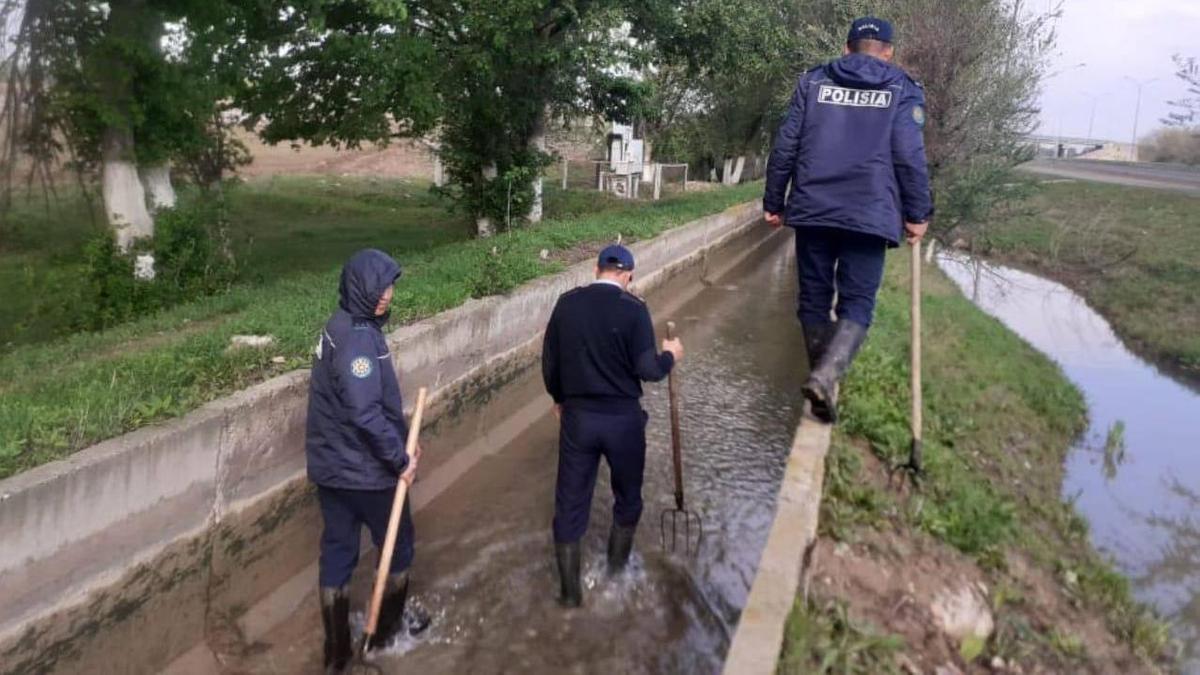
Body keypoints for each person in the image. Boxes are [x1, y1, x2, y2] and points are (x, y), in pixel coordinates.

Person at [763, 16, 933, 423]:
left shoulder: (814, 82)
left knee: (814, 301)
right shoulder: (902, 89)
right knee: (857, 304)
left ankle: (820, 379)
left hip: (814, 208)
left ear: (846, 48)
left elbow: (786, 144)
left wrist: (774, 200)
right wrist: (917, 214)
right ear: (889, 52)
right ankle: (824, 378)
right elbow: (909, 155)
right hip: (870, 213)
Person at [305, 248, 429, 673]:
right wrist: (399, 459)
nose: (387, 295)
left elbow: (363, 407)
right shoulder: (358, 338)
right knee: (398, 544)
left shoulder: (339, 325)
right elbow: (363, 412)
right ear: (360, 288)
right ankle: (386, 633)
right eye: (380, 287)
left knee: (337, 551)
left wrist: (403, 436)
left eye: (390, 286)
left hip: (331, 467)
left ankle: (336, 653)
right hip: (366, 472)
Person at [541, 244, 685, 607]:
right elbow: (648, 371)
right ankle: (616, 575)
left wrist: (560, 399)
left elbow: (550, 364)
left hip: (578, 419)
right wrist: (671, 356)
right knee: (628, 498)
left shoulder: (566, 304)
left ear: (596, 269)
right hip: (623, 421)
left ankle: (569, 596)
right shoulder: (634, 310)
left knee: (570, 504)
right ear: (629, 275)